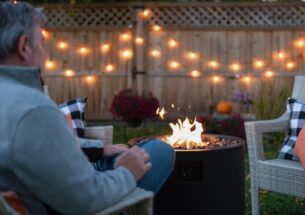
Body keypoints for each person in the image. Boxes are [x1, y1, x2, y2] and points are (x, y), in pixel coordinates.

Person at [0, 1, 175, 214]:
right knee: (159, 151)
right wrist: (126, 172)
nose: (46, 55)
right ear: (24, 46)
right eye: (43, 44)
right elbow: (86, 199)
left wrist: (99, 148)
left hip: (57, 183)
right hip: (76, 200)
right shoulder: (33, 110)